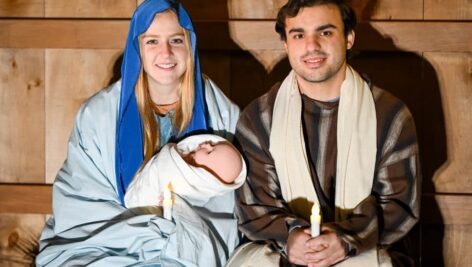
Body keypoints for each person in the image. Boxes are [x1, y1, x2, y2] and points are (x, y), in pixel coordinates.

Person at [36, 0, 239, 266]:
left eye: (176, 41)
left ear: (190, 46)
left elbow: (225, 205)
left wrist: (173, 238)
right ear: (137, 48)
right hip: (110, 245)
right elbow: (84, 200)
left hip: (190, 246)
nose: (165, 53)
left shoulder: (220, 112)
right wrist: (151, 236)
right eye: (152, 41)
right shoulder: (98, 115)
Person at [229, 0, 421, 266]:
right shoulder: (259, 118)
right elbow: (254, 208)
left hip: (368, 249)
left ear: (349, 37)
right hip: (286, 253)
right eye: (298, 35)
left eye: (325, 32)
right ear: (285, 43)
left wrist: (346, 239)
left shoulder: (389, 114)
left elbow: (399, 206)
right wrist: (293, 238)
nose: (311, 46)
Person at [125, 134, 246, 208]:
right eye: (213, 143)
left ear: (206, 175)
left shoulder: (189, 188)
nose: (208, 144)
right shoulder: (180, 156)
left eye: (210, 151)